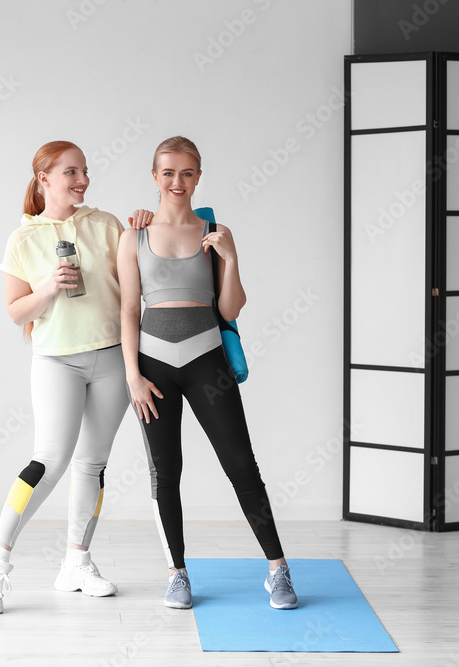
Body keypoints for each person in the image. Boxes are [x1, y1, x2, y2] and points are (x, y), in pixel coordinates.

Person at [0, 140, 149, 614]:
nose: (81, 180)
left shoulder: (106, 225)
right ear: (44, 177)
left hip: (111, 357)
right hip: (57, 361)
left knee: (93, 463)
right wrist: (47, 288)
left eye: (85, 171)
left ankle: (77, 562)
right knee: (49, 460)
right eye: (70, 172)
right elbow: (14, 312)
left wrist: (144, 229)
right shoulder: (22, 238)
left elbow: (140, 278)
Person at [116, 136, 297, 610]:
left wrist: (231, 257)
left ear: (199, 177)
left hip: (207, 363)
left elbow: (229, 307)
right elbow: (129, 308)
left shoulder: (214, 231)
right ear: (155, 177)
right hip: (153, 366)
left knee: (241, 465)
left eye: (188, 173)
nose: (178, 181)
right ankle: (177, 574)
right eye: (169, 172)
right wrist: (132, 374)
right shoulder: (131, 236)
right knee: (165, 471)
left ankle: (279, 570)